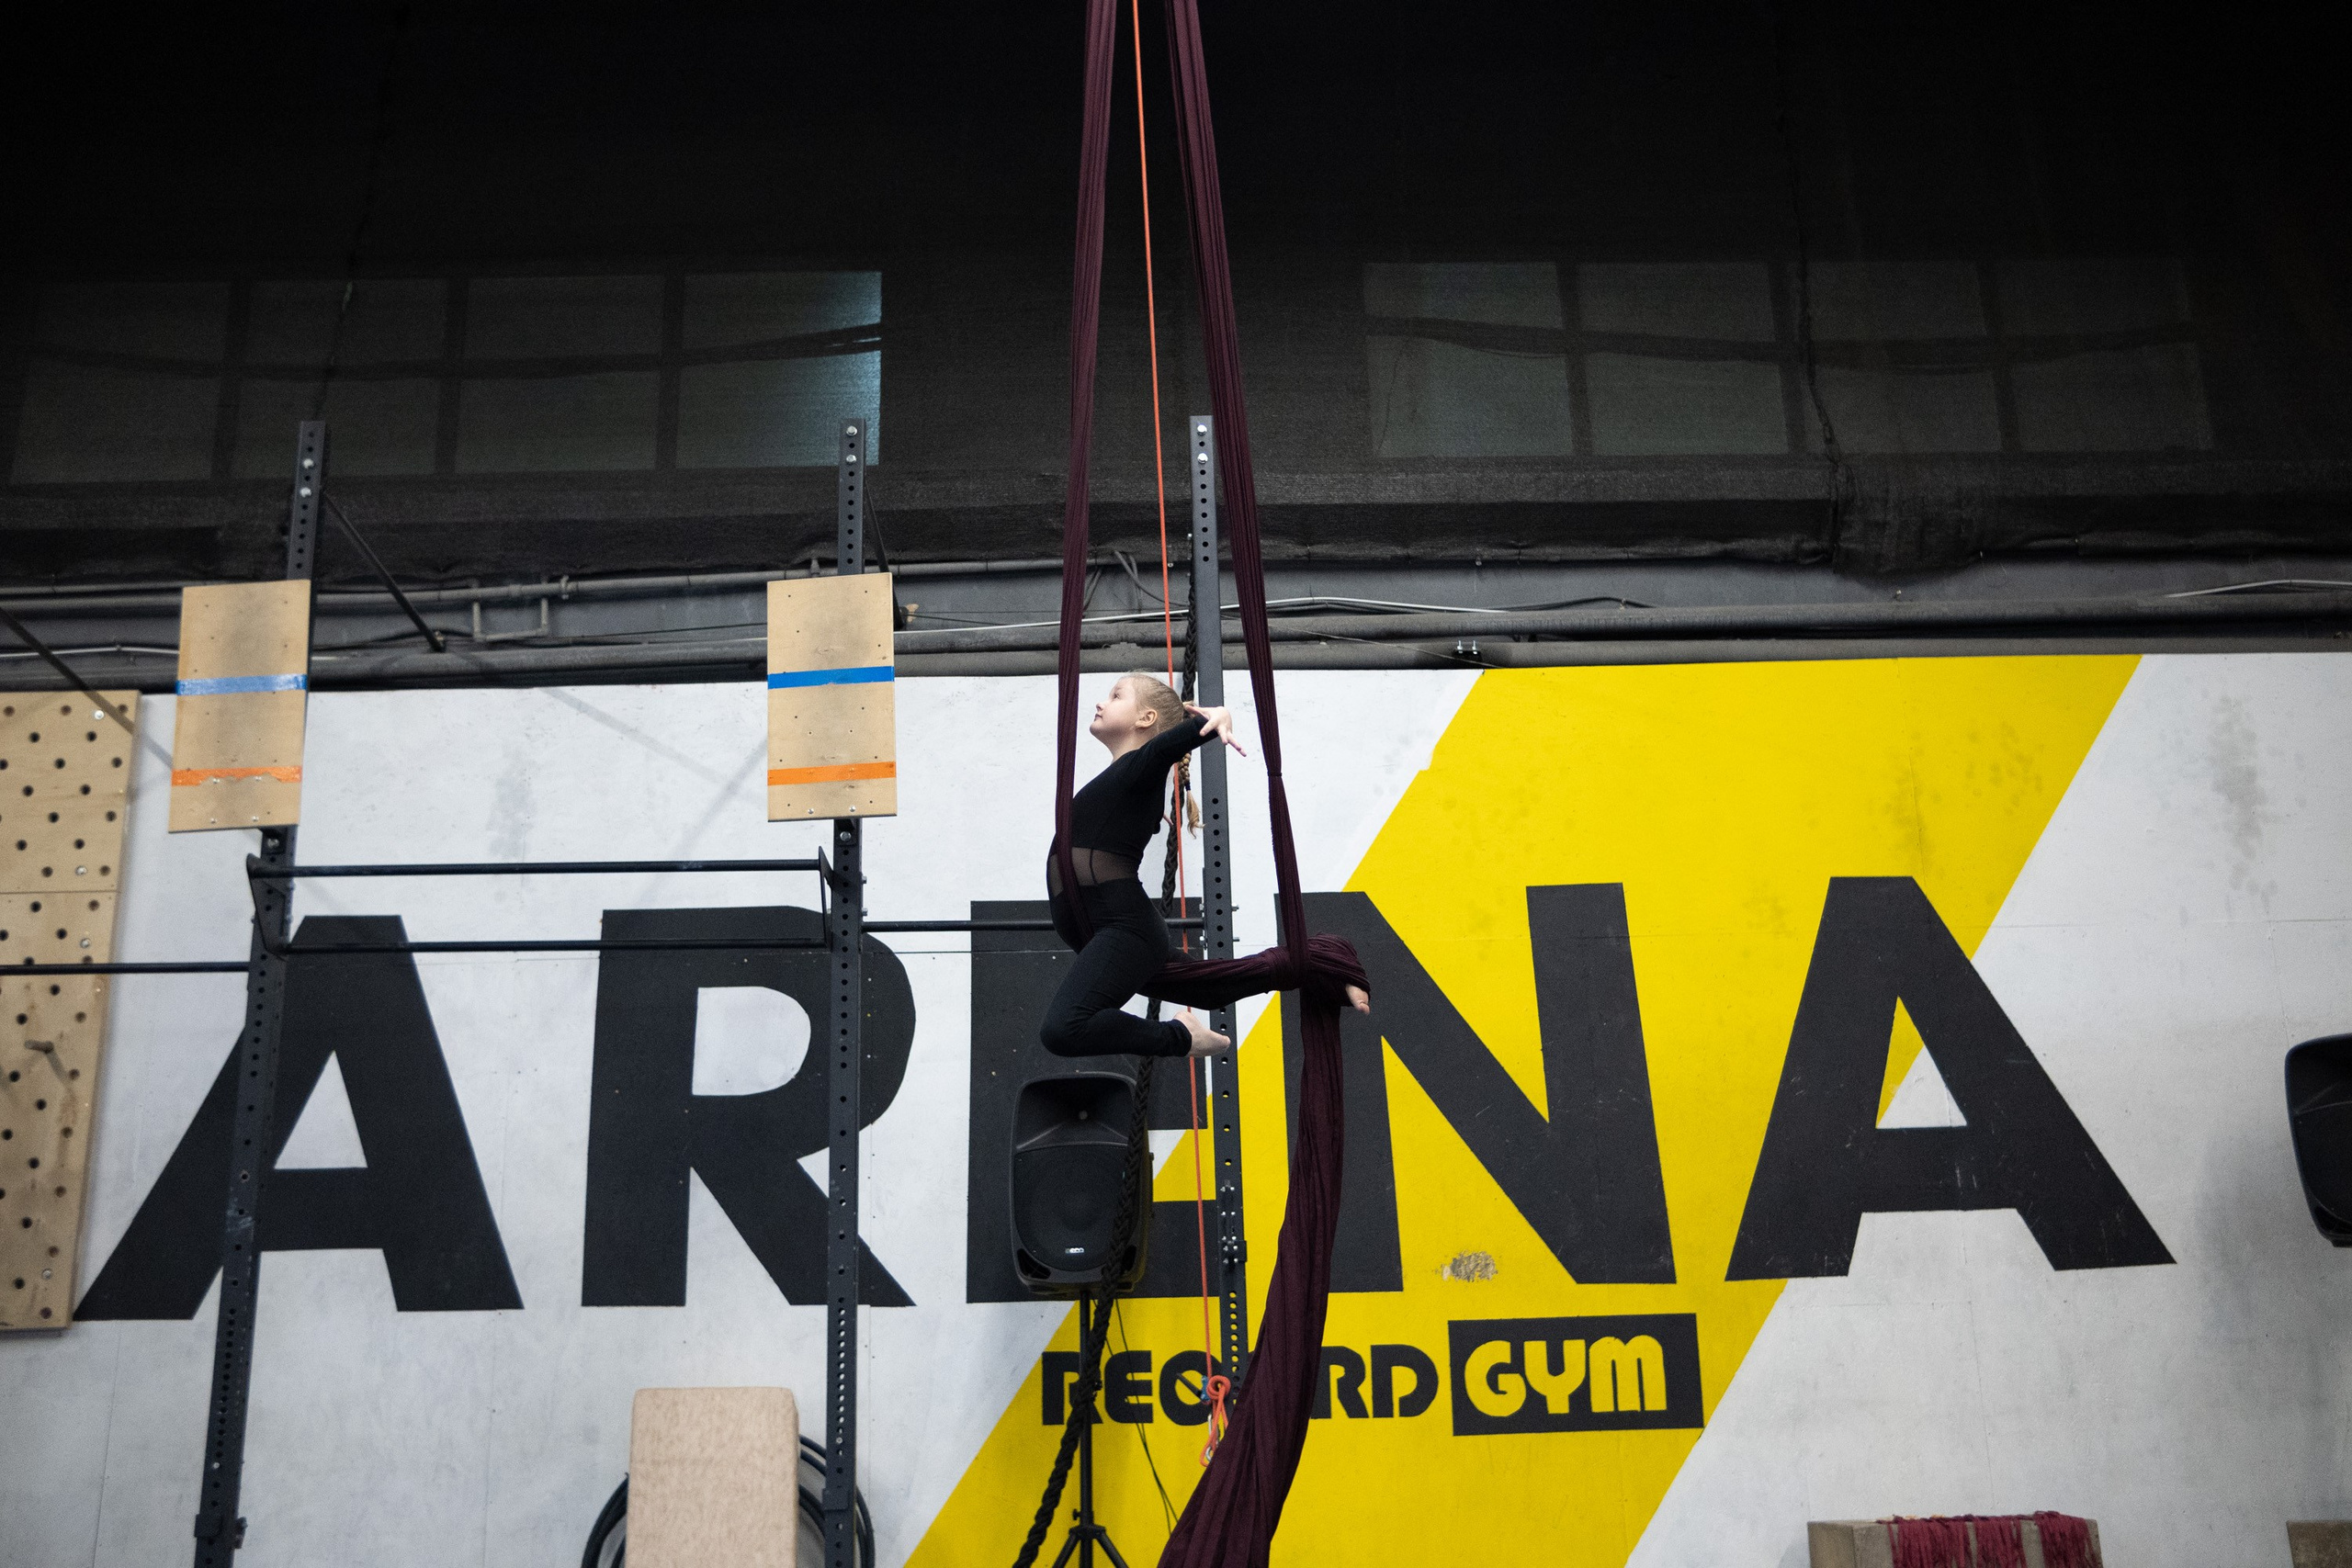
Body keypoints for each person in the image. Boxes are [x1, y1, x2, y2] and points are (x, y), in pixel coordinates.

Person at [1040, 672, 1368, 1060]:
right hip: (1104, 930)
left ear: (1145, 719)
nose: (1100, 703)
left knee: (1064, 1029)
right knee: (1211, 987)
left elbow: (1167, 747)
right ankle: (1324, 961)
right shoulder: (1121, 776)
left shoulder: (1140, 769)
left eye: (1115, 696)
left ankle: (1181, 1038)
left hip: (1122, 927)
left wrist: (1214, 718)